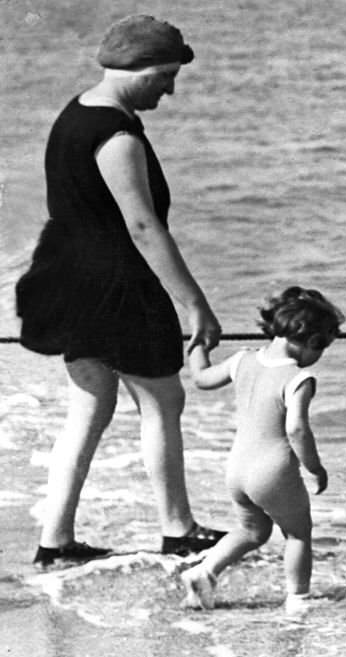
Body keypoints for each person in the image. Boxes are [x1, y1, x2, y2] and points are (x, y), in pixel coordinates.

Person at [14, 15, 227, 567]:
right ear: (143, 70)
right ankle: (178, 529)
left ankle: (54, 541)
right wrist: (194, 303)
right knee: (164, 399)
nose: (171, 89)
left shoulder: (75, 113)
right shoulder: (117, 135)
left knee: (89, 406)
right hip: (115, 285)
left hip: (66, 279)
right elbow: (143, 227)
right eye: (167, 77)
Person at [180, 287, 343, 614]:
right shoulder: (299, 378)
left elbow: (200, 378)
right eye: (322, 348)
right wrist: (314, 468)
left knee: (252, 530)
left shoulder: (242, 360)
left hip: (238, 471)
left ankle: (205, 571)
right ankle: (298, 603)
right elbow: (296, 428)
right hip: (273, 473)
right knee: (298, 534)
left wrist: (198, 344)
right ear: (313, 342)